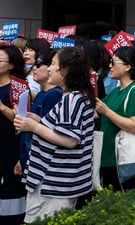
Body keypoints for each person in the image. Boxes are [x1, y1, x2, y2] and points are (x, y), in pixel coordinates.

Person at [14, 47, 96, 223]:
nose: (48, 68)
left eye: (52, 64)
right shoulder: (77, 96)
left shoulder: (71, 99)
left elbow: (69, 140)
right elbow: (63, 129)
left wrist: (35, 127)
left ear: (65, 70)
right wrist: (40, 121)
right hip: (57, 182)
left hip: (55, 183)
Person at [95, 46, 135, 190]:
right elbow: (96, 111)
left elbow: (134, 125)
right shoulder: (115, 91)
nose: (110, 66)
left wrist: (107, 112)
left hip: (123, 160)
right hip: (109, 157)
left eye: (114, 62)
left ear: (127, 67)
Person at [17, 49, 63, 176]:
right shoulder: (42, 94)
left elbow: (50, 132)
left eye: (38, 64)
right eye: (33, 66)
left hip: (42, 165)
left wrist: (36, 124)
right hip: (30, 158)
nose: (34, 69)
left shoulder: (54, 95)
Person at [0, 45, 27, 224]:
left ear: (11, 65)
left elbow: (21, 121)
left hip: (9, 146)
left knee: (9, 188)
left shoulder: (17, 88)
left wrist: (1, 107)